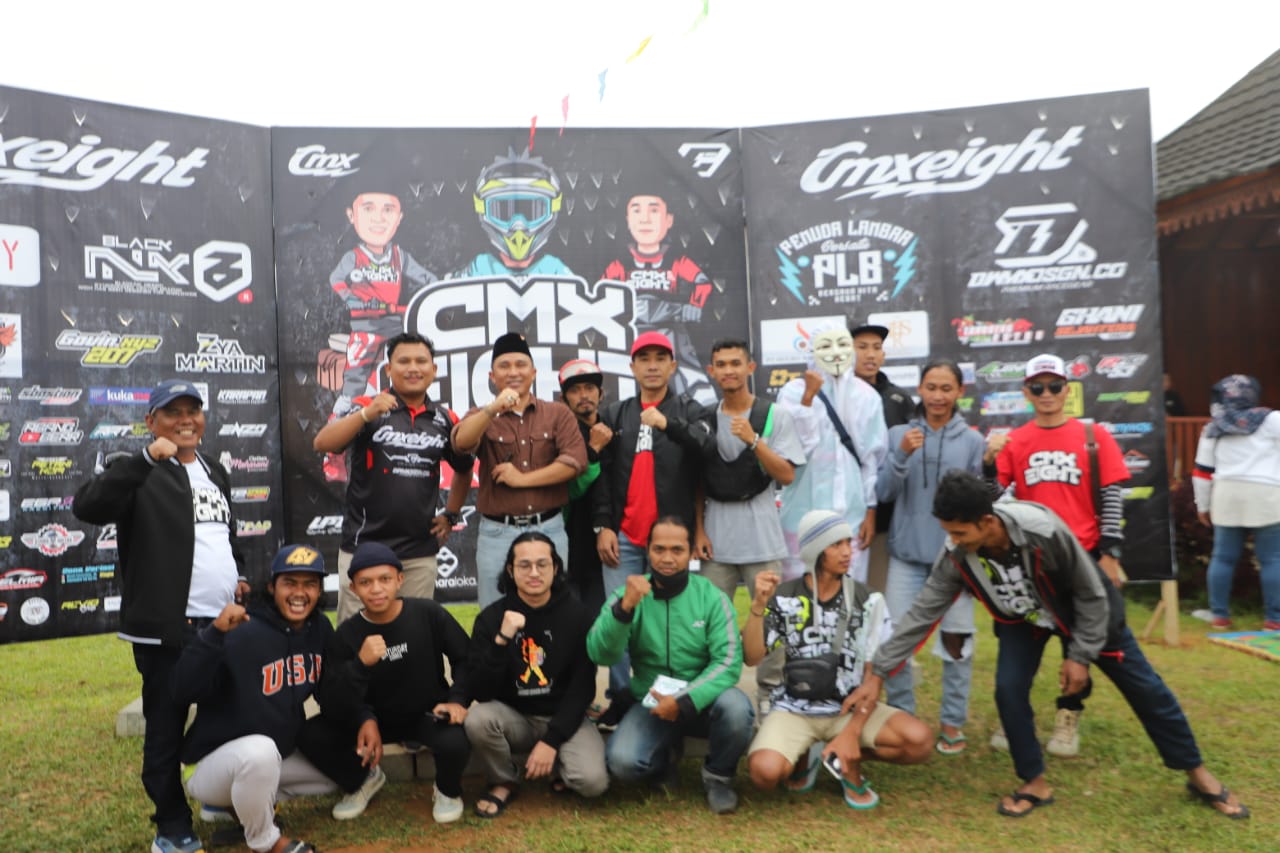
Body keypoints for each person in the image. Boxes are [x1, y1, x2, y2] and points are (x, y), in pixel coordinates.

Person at [843, 470, 1250, 820]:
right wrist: (879, 671)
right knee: (1008, 689)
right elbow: (922, 613)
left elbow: (1091, 592)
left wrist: (1080, 656)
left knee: (1146, 688)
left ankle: (1198, 775)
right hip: (1024, 619)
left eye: (960, 532)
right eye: (949, 532)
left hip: (1085, 611)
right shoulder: (957, 553)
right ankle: (1034, 782)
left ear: (987, 521)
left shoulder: (1042, 529)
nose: (953, 540)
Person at [73, 378, 247, 853]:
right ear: (151, 421)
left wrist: (239, 575)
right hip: (170, 630)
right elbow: (88, 506)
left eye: (194, 410)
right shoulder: (135, 469)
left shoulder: (214, 470)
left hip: (222, 623)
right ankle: (172, 825)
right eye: (173, 412)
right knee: (166, 731)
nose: (186, 420)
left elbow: (224, 534)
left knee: (229, 715)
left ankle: (218, 797)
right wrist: (147, 458)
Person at [985, 353, 1130, 757]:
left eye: (1054, 386)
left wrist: (1110, 553)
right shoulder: (1015, 440)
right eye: (1037, 387)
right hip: (1029, 563)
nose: (1046, 393)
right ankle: (1015, 714)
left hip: (1082, 558)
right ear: (1026, 392)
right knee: (1020, 647)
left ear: (1067, 390)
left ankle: (1069, 715)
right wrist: (989, 463)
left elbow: (1111, 496)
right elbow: (995, 501)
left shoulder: (1093, 436)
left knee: (1078, 647)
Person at [744, 510, 932, 809]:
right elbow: (752, 657)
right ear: (815, 550)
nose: (847, 551)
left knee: (919, 741)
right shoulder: (785, 597)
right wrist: (757, 606)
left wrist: (852, 733)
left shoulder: (869, 600)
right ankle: (805, 754)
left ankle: (843, 758)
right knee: (764, 773)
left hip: (849, 709)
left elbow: (872, 676)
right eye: (836, 544)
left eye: (848, 542)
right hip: (794, 708)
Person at [172, 545, 336, 853]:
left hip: (270, 758)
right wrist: (214, 634)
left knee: (334, 775)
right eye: (290, 583)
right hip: (210, 764)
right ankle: (266, 841)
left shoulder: (319, 629)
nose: (299, 593)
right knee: (260, 752)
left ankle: (242, 803)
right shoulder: (244, 629)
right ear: (272, 587)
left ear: (319, 590)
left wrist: (363, 719)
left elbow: (333, 687)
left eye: (310, 584)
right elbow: (183, 689)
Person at [587, 516, 753, 814]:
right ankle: (664, 759)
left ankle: (718, 777)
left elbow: (728, 661)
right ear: (647, 551)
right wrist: (624, 610)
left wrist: (684, 700)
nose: (667, 558)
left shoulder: (711, 597)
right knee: (622, 763)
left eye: (677, 550)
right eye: (659, 549)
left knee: (737, 709)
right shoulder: (627, 595)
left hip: (704, 699)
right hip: (652, 702)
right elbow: (600, 654)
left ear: (691, 553)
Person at [299, 541, 472, 824]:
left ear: (399, 580)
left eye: (385, 579)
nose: (376, 589)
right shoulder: (346, 634)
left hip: (424, 715)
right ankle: (363, 780)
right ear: (353, 588)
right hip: (372, 723)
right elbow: (331, 698)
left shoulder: (428, 613)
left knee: (455, 741)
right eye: (365, 582)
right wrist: (362, 703)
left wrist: (457, 700)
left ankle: (447, 790)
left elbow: (466, 659)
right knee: (311, 733)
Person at [593, 331, 715, 720]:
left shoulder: (690, 410)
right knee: (619, 616)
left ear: (672, 366)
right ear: (632, 367)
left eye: (660, 358)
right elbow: (602, 475)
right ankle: (621, 698)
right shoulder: (615, 414)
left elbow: (706, 449)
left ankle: (673, 698)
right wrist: (603, 525)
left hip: (670, 542)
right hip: (625, 537)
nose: (652, 366)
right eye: (643, 358)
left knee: (670, 622)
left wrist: (667, 424)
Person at [313, 331, 474, 621]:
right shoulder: (366, 405)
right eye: (404, 361)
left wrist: (451, 514)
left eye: (421, 361)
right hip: (364, 546)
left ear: (433, 369)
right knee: (357, 636)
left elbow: (464, 468)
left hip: (418, 552)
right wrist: (366, 414)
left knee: (414, 633)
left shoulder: (444, 418)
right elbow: (323, 443)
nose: (413, 368)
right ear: (388, 369)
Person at [876, 358, 984, 754]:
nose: (938, 396)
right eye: (931, 387)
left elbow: (979, 504)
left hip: (955, 560)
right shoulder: (899, 434)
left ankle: (952, 721)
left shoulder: (972, 441)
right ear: (919, 389)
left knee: (957, 640)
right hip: (906, 556)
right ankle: (902, 715)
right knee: (896, 640)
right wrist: (901, 455)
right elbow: (883, 492)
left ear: (960, 392)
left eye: (946, 388)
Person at [694, 338, 804, 711]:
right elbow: (698, 480)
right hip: (716, 540)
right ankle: (711, 693)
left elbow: (786, 474)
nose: (729, 371)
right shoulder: (705, 418)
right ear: (711, 371)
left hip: (762, 538)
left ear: (750, 368)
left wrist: (754, 441)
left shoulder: (773, 415)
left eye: (735, 363)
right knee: (708, 622)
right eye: (721, 364)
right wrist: (698, 530)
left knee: (771, 620)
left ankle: (771, 695)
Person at [464, 532, 609, 818]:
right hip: (515, 718)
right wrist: (502, 640)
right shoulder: (491, 618)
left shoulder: (578, 615)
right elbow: (480, 691)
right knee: (478, 719)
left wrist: (552, 740)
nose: (534, 573)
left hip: (563, 716)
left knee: (593, 783)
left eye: (542, 564)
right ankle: (504, 780)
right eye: (524, 565)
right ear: (510, 570)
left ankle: (557, 764)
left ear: (555, 568)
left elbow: (582, 688)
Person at [451, 332, 587, 609]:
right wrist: (493, 409)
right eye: (504, 366)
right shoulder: (481, 415)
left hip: (549, 527)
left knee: (554, 610)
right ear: (492, 376)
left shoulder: (557, 413)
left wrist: (522, 479)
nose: (513, 372)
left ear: (533, 373)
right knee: (494, 613)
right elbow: (461, 443)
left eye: (521, 365)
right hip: (497, 533)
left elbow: (575, 462)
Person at [324, 172, 436, 481]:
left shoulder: (399, 256)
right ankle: (333, 453)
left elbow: (426, 278)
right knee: (354, 386)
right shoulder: (354, 257)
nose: (378, 218)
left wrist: (439, 287)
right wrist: (355, 300)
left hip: (396, 331)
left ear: (399, 217)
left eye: (388, 210)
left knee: (409, 384)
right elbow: (336, 280)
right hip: (365, 330)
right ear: (352, 215)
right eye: (369, 209)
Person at [777, 320, 887, 583]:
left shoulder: (867, 397)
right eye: (825, 346)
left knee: (848, 586)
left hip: (851, 515)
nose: (836, 353)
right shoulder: (792, 393)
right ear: (810, 352)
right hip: (801, 515)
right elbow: (794, 451)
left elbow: (872, 460)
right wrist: (808, 399)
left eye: (842, 344)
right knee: (800, 587)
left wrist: (870, 510)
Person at [603, 189, 715, 402]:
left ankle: (703, 404)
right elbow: (602, 292)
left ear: (669, 220)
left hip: (670, 327)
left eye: (653, 211)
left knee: (689, 369)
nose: (645, 219)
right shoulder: (620, 264)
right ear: (627, 220)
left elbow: (702, 283)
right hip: (629, 331)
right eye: (637, 211)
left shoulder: (677, 260)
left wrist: (693, 307)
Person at [1193, 374, 1280, 630]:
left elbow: (1202, 471)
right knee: (1272, 559)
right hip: (1266, 493)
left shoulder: (1213, 426)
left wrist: (1203, 506)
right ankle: (1274, 619)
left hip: (1226, 493)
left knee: (1223, 557)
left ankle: (1219, 615)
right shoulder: (1273, 420)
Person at [850, 320, 915, 594]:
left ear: (884, 355)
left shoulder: (899, 399)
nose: (870, 354)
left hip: (887, 519)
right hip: (845, 514)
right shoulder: (834, 397)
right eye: (862, 347)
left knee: (878, 597)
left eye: (876, 348)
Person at [455, 148, 574, 280]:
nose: (518, 225)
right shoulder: (480, 267)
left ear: (553, 209)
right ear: (482, 209)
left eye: (530, 212)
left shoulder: (553, 269)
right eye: (504, 211)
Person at [557, 359, 613, 613]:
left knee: (604, 621)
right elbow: (568, 489)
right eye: (575, 390)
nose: (583, 395)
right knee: (569, 620)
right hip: (569, 541)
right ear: (564, 398)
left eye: (589, 388)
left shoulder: (613, 428)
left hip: (609, 544)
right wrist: (593, 450)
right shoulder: (559, 435)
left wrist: (605, 524)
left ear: (601, 393)